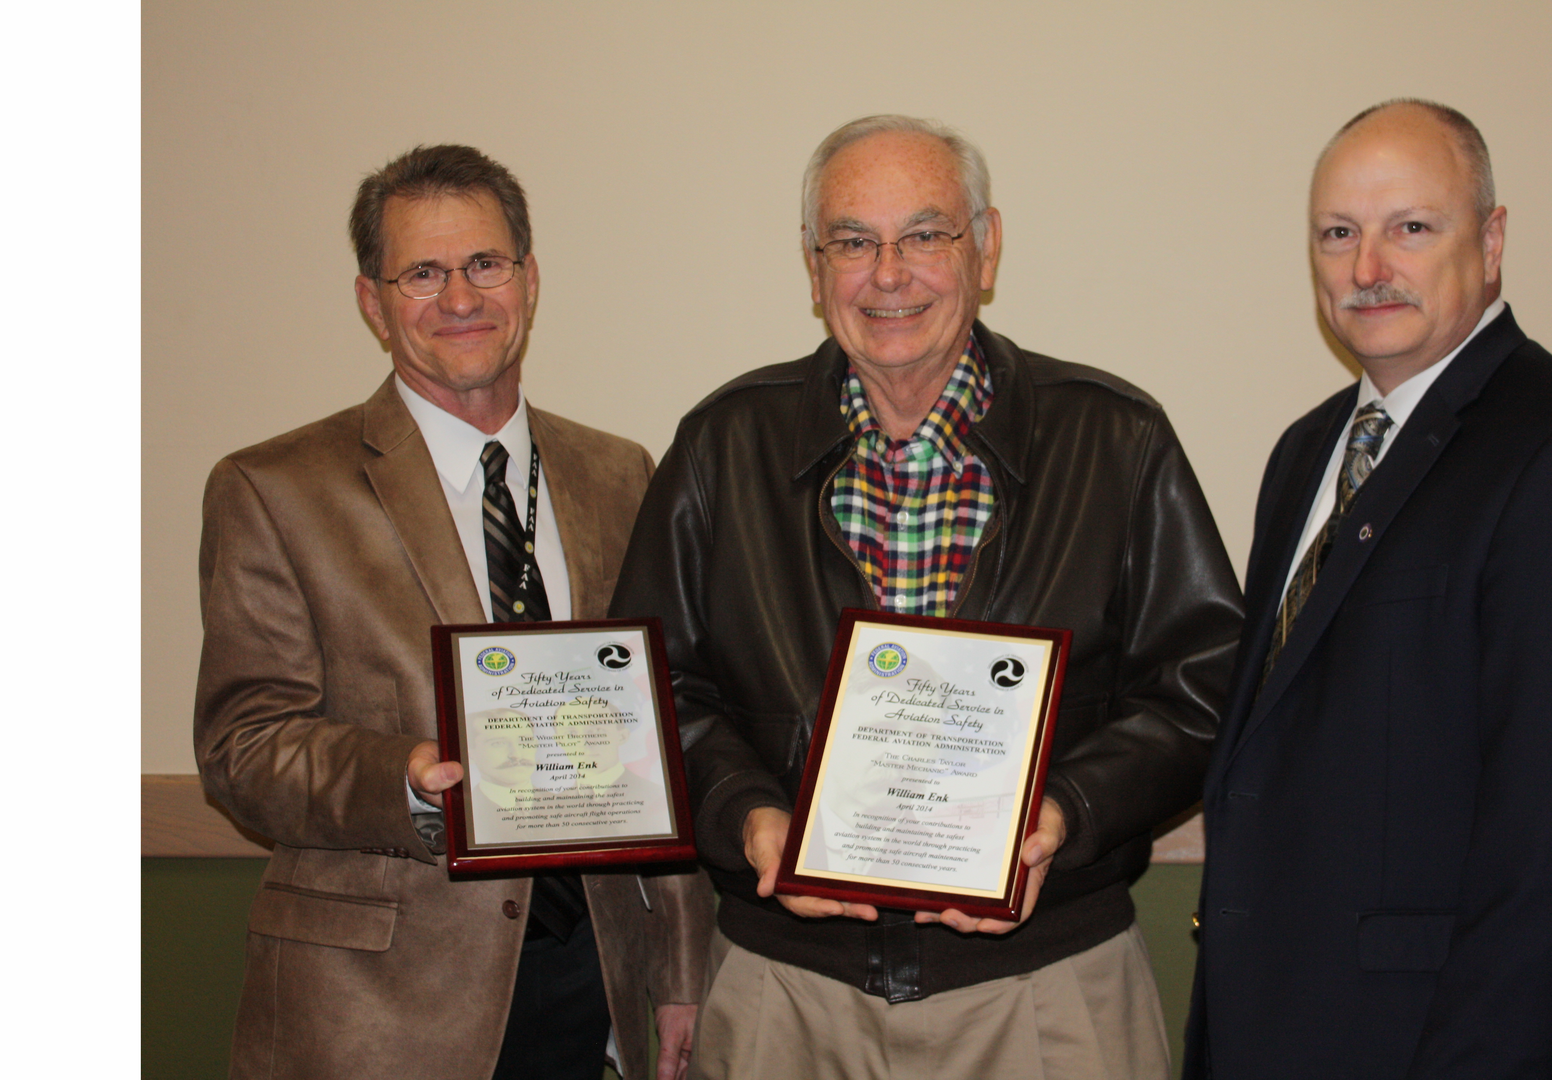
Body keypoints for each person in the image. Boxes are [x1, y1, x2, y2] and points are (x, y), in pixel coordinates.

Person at [611, 114, 1243, 1080]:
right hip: (788, 992)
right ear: (815, 269)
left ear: (985, 249)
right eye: (853, 242)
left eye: (926, 235)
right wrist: (748, 814)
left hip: (1048, 989)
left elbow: (1202, 689)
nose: (889, 273)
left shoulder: (1115, 440)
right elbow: (651, 696)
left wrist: (1065, 813)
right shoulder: (722, 446)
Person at [1186, 100, 1552, 1079]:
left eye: (1410, 228)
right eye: (1338, 234)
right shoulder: (1306, 454)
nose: (1367, 267)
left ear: (1493, 239)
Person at [194, 144, 713, 1080]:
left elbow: (661, 735)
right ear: (372, 300)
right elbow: (242, 746)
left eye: (484, 265)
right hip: (378, 1010)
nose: (461, 299)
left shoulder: (620, 472)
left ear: (529, 279)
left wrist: (678, 966)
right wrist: (403, 777)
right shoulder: (273, 488)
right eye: (422, 273)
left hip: (592, 984)